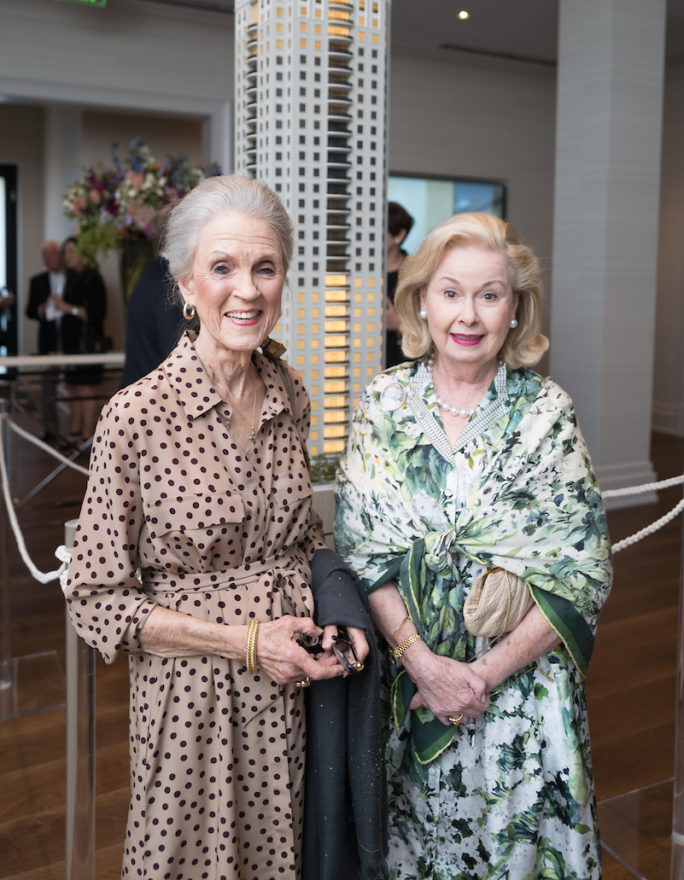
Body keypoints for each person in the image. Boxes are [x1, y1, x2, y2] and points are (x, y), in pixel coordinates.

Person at [66, 174, 369, 880]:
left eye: (265, 268)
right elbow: (96, 598)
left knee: (288, 855)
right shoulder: (137, 415)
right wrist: (243, 642)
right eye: (223, 268)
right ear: (185, 283)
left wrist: (340, 607)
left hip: (296, 691)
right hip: (192, 699)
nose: (247, 290)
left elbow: (301, 537)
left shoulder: (289, 392)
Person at [335, 212, 613, 880]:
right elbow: (363, 553)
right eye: (451, 291)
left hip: (520, 700)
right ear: (421, 300)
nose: (468, 313)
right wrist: (428, 667)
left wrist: (481, 678)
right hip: (411, 689)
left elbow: (583, 572)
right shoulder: (382, 402)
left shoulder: (546, 412)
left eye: (489, 294)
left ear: (515, 310)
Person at [52, 237, 107, 445]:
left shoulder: (94, 279)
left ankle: (87, 434)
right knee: (71, 385)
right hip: (70, 343)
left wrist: (67, 307)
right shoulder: (71, 278)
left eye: (72, 251)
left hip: (87, 344)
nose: (67, 257)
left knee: (84, 387)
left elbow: (95, 314)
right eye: (65, 252)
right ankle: (75, 429)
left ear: (83, 253)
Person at [120, 253, 185, 388]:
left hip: (141, 388)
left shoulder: (154, 273)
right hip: (152, 396)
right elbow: (175, 353)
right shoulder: (168, 282)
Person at [25, 240, 65, 438]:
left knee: (76, 382)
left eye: (53, 254)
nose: (50, 258)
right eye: (46, 255)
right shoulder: (37, 281)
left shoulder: (72, 277)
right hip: (48, 338)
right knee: (48, 384)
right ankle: (50, 428)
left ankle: (77, 430)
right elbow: (29, 311)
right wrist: (42, 308)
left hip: (69, 337)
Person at [385, 201, 414, 368]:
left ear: (399, 235)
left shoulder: (416, 276)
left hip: (403, 367)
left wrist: (397, 323)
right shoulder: (361, 275)